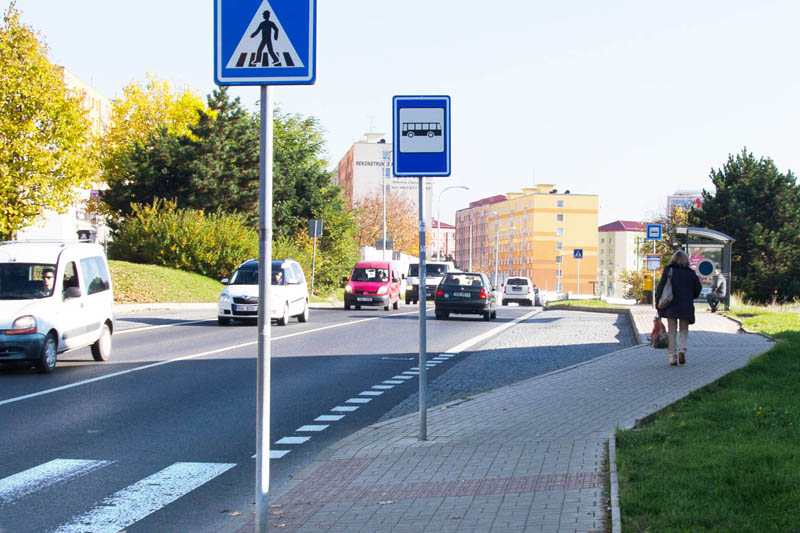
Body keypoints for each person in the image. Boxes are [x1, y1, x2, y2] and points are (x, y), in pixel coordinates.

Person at [655, 250, 702, 366]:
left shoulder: (669, 271)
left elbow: (660, 288)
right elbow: (698, 289)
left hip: (670, 305)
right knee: (684, 329)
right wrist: (690, 296)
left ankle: (672, 356)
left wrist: (658, 305)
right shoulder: (690, 273)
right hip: (685, 305)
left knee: (672, 331)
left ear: (673, 259)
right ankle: (682, 349)